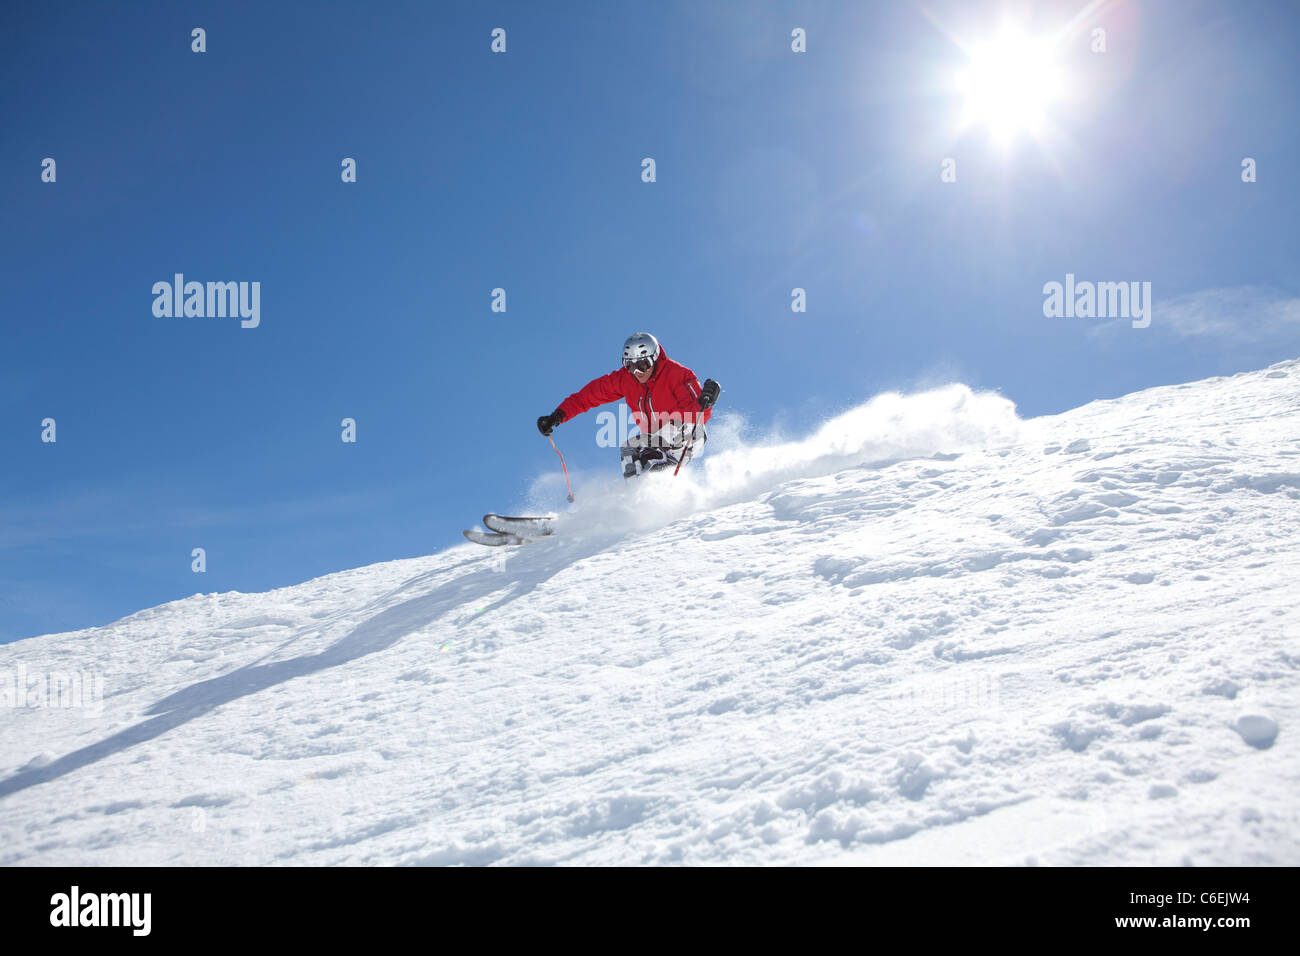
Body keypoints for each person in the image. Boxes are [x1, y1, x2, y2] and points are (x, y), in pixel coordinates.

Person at [537, 332, 719, 478]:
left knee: (650, 455)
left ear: (654, 358)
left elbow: (696, 417)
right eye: (630, 365)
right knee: (629, 450)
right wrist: (559, 415)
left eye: (643, 364)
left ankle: (663, 491)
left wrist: (706, 401)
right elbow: (588, 396)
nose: (637, 371)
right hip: (656, 439)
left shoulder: (676, 374)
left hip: (689, 434)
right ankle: (634, 502)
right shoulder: (625, 380)